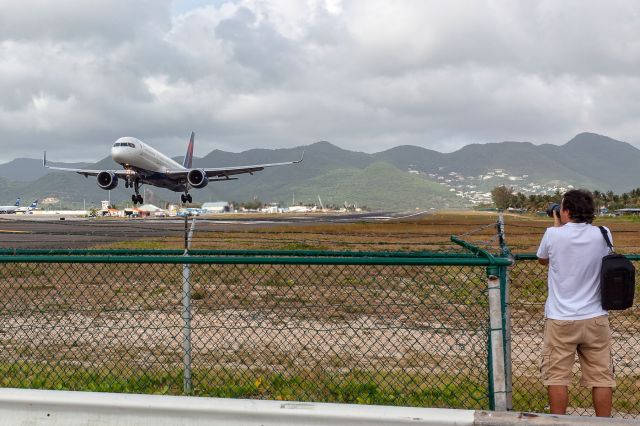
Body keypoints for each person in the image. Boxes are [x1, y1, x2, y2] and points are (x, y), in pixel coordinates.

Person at [536, 189, 615, 417]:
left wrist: (557, 224)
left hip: (561, 318)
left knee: (557, 376)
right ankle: (604, 424)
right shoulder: (603, 233)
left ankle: (558, 422)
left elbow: (543, 260)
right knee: (601, 377)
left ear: (566, 211)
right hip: (596, 317)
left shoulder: (552, 234)